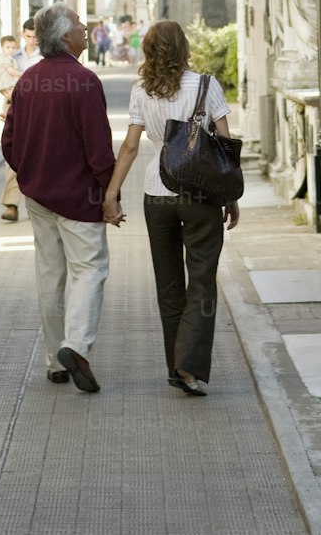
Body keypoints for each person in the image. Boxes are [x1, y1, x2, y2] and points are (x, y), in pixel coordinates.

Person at [103, 20, 239, 396]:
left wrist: (112, 193)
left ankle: (176, 368)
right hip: (200, 194)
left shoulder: (140, 90)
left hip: (156, 193)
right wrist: (231, 196)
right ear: (184, 47)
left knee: (168, 285)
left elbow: (129, 147)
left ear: (148, 50)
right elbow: (225, 146)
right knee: (202, 282)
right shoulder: (207, 86)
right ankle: (189, 366)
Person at [2, 2, 115, 392]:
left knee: (50, 274)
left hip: (38, 195)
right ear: (67, 36)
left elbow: (9, 142)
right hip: (80, 196)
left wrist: (28, 173)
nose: (86, 29)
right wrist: (109, 192)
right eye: (81, 25)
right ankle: (76, 345)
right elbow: (98, 148)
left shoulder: (28, 81)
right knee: (89, 269)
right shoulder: (84, 81)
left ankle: (55, 361)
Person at [0, 35, 23, 223]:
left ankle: (44, 205)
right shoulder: (14, 59)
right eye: (29, 36)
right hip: (13, 107)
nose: (32, 39)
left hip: (38, 110)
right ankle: (12, 205)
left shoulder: (44, 57)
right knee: (13, 154)